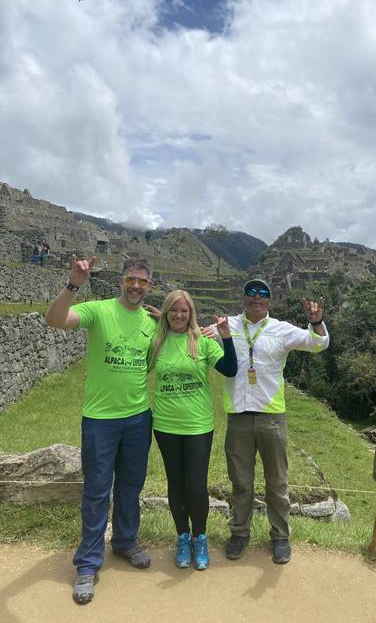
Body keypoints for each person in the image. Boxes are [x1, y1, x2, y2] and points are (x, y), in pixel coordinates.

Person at [45, 255, 157, 604]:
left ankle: (125, 541)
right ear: (123, 281)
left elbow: (184, 337)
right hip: (100, 419)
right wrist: (73, 284)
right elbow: (55, 319)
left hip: (139, 418)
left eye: (143, 281)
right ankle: (88, 563)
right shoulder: (99, 310)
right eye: (131, 279)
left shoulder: (153, 322)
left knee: (130, 486)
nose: (136, 286)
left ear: (149, 286)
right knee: (96, 491)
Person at [218, 278, 329, 565]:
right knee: (241, 481)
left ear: (270, 300)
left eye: (262, 293)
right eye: (251, 292)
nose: (256, 297)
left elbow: (318, 343)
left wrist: (316, 321)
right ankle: (239, 533)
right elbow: (194, 334)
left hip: (271, 417)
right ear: (243, 298)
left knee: (277, 481)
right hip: (238, 416)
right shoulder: (226, 325)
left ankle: (280, 536)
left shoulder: (281, 330)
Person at [148, 290, 237, 570]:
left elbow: (231, 369)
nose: (178, 315)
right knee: (175, 484)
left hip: (198, 425)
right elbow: (136, 371)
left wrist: (226, 336)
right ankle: (182, 537)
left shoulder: (203, 341)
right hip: (165, 424)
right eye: (173, 310)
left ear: (191, 313)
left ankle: (200, 537)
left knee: (196, 484)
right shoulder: (157, 341)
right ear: (165, 312)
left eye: (184, 311)